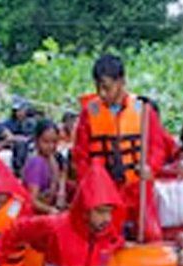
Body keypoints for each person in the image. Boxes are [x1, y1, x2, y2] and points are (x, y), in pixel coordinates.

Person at [72, 54, 168, 242]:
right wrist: (91, 188)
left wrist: (151, 167)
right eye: (98, 87)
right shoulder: (89, 113)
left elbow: (157, 147)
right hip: (105, 192)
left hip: (137, 188)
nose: (101, 93)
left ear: (121, 82)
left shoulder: (143, 109)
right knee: (106, 237)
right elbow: (81, 156)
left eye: (106, 87)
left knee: (152, 235)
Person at [22, 119, 70, 214]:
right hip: (33, 216)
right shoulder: (37, 163)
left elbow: (63, 172)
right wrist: (53, 211)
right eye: (46, 142)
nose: (51, 146)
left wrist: (61, 191)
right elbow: (32, 201)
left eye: (54, 142)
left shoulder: (52, 159)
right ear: (36, 140)